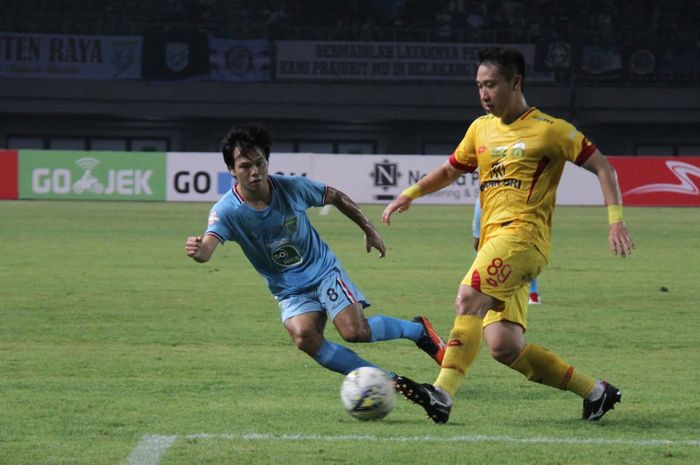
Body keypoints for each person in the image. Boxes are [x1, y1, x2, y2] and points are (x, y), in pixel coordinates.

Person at [382, 47, 635, 423]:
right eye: (479, 86)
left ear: (515, 83)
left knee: (467, 296)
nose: (484, 93)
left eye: (491, 84)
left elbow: (603, 166)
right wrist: (409, 194)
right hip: (496, 243)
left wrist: (615, 219)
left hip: (524, 238)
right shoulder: (480, 129)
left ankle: (442, 394)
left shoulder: (550, 130)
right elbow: (451, 170)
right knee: (503, 346)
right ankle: (595, 392)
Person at [185, 123, 446, 381]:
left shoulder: (291, 188)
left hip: (322, 271)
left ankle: (419, 331)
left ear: (267, 162)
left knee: (355, 332)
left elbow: (336, 197)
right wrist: (198, 250)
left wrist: (369, 229)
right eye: (245, 166)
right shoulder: (227, 210)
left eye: (260, 163)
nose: (255, 171)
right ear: (231, 170)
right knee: (304, 337)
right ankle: (385, 380)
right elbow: (207, 249)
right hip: (288, 288)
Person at [472, 195, 541, 304]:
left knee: (520, 245)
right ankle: (481, 290)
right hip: (486, 197)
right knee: (478, 243)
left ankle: (532, 293)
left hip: (513, 201)